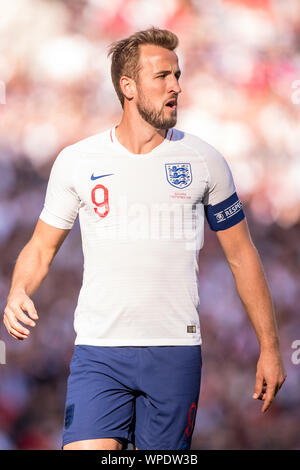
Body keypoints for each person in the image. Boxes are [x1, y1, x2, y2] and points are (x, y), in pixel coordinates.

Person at [3, 27, 286, 451]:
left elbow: (242, 255)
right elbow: (42, 246)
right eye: (162, 77)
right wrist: (19, 290)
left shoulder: (205, 161)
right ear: (128, 86)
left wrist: (270, 347)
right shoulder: (77, 161)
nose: (176, 86)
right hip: (99, 353)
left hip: (174, 353)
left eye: (178, 75)